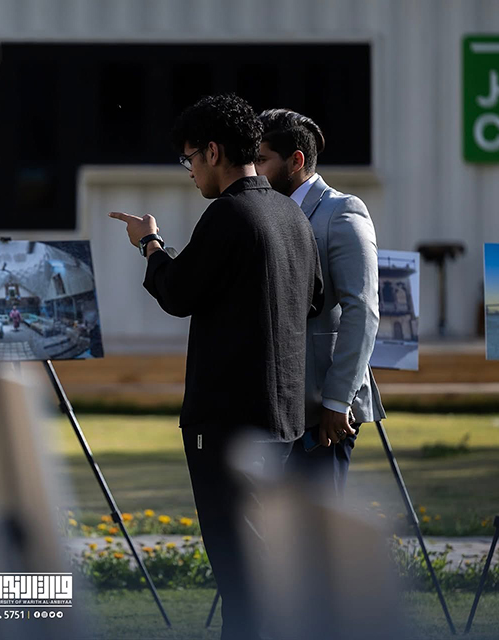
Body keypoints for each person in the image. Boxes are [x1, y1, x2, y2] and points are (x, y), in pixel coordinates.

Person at [110, 94, 324, 640]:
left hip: (228, 421)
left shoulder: (228, 213)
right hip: (283, 416)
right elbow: (314, 298)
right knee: (266, 569)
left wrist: (150, 244)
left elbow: (178, 293)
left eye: (189, 159)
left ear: (212, 151)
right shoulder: (290, 213)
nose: (190, 172)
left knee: (240, 574)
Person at [255, 108, 386, 498]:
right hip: (276, 407)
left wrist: (337, 400)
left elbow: (362, 309)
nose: (253, 170)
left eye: (261, 160)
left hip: (324, 413)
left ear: (295, 161)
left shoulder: (341, 211)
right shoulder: (264, 210)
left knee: (317, 529)